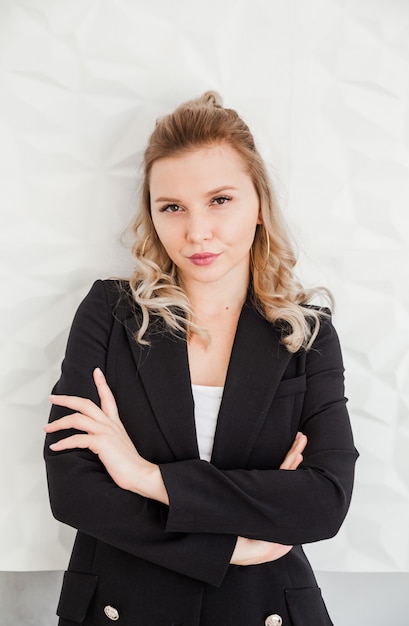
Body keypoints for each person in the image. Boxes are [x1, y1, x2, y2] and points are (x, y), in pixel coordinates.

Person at [44, 91, 358, 626]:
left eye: (220, 200)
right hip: (124, 605)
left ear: (259, 204)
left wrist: (144, 477)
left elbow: (323, 500)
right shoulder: (109, 313)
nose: (196, 232)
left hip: (263, 607)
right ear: (153, 214)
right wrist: (229, 544)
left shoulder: (307, 333)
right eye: (172, 207)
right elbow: (74, 491)